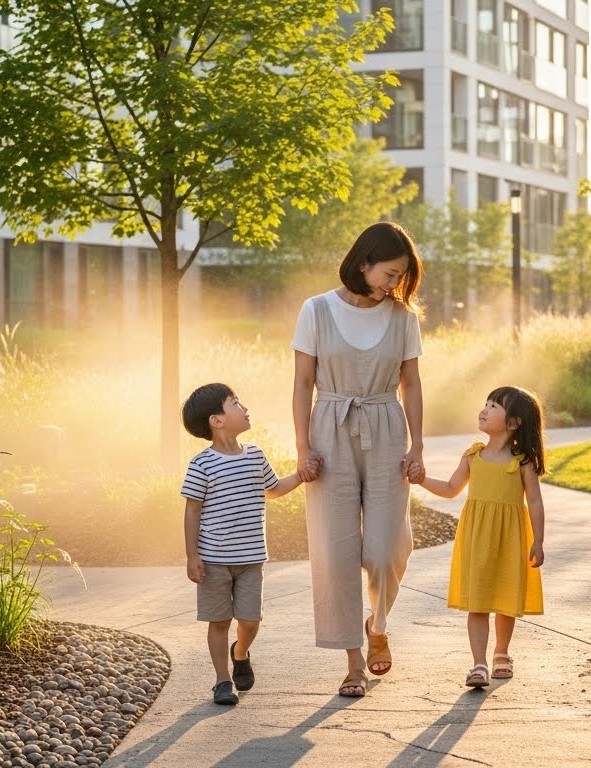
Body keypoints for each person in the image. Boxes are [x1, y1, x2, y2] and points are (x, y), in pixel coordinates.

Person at [291, 221, 426, 698]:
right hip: (329, 428)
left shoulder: (403, 318)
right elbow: (302, 384)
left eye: (401, 276)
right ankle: (353, 663)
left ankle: (377, 623)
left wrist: (418, 445)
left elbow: (411, 384)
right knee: (337, 552)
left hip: (387, 426)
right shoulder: (316, 310)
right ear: (364, 262)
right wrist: (303, 447)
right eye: (390, 273)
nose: (395, 284)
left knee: (387, 551)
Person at [411, 385, 546, 688]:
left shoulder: (522, 461)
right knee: (479, 601)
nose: (485, 409)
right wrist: (421, 480)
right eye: (486, 403)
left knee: (506, 598)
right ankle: (479, 664)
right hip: (478, 539)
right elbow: (450, 489)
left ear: (513, 423)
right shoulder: (474, 455)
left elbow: (535, 501)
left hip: (510, 540)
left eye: (494, 406)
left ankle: (502, 652)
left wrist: (538, 540)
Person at [180, 382, 304, 706]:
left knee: (250, 621)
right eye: (235, 403)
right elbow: (192, 510)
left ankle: (241, 652)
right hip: (214, 560)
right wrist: (192, 555)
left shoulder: (255, 455)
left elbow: (273, 489)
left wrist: (302, 475)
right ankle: (223, 681)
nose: (244, 408)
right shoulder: (202, 464)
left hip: (251, 559)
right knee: (219, 621)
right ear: (216, 420)